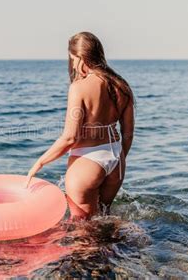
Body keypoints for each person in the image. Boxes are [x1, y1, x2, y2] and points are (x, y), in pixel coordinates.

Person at [25, 31, 136, 220]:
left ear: (81, 57)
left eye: (73, 59)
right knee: (104, 220)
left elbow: (70, 137)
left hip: (87, 162)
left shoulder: (79, 87)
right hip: (116, 161)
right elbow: (128, 133)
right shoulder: (121, 86)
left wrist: (39, 162)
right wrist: (119, 159)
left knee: (81, 231)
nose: (73, 65)